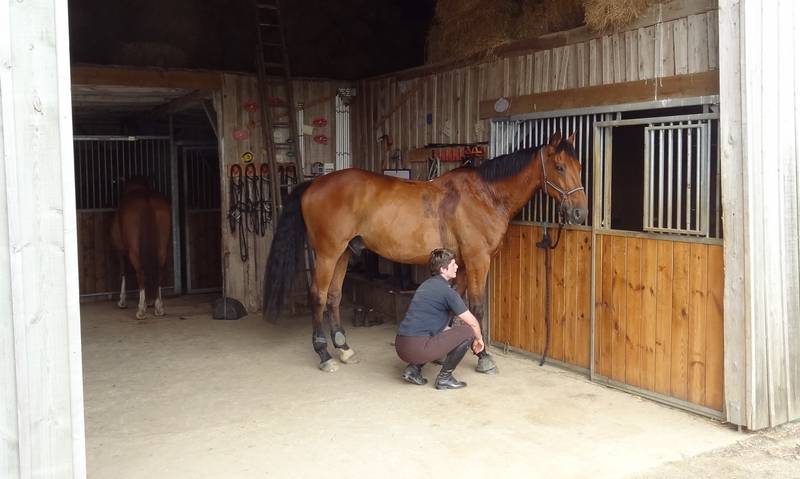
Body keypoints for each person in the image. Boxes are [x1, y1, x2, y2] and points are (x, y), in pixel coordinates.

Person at [394, 248, 487, 389]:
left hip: (401, 345)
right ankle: (445, 378)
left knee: (447, 331)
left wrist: (451, 338)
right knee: (468, 332)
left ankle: (413, 370)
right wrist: (479, 340)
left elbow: (438, 325)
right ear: (443, 269)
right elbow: (473, 323)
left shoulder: (426, 285)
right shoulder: (447, 292)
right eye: (453, 264)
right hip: (417, 348)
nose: (457, 266)